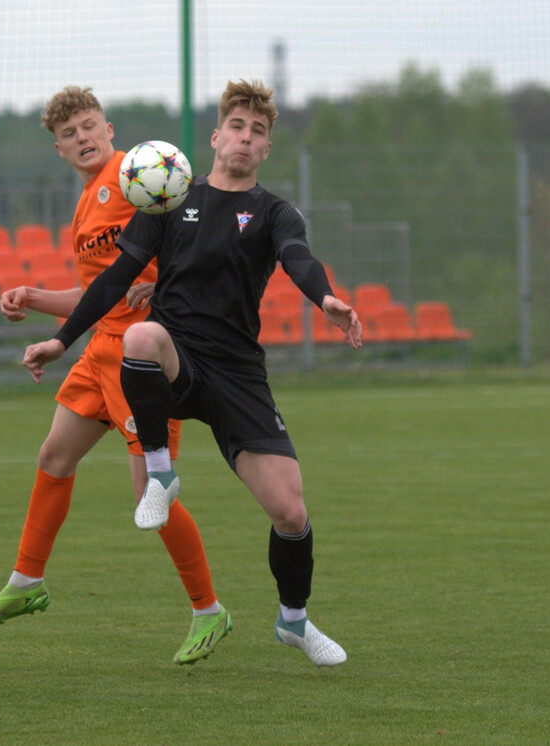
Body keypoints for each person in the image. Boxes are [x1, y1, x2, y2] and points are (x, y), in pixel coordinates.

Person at [23, 79, 363, 667]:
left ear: (264, 150)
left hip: (236, 375)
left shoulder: (274, 211)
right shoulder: (169, 200)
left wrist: (325, 298)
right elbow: (110, 281)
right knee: (141, 334)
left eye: (257, 132)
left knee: (290, 511)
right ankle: (161, 476)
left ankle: (293, 621)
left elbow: (297, 257)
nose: (245, 138)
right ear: (215, 136)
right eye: (237, 126)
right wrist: (59, 340)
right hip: (176, 358)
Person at [0, 86, 231, 665]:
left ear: (109, 128)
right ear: (58, 149)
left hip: (144, 355)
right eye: (69, 134)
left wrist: (161, 285)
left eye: (89, 125)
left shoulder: (137, 173)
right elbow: (98, 291)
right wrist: (33, 297)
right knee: (54, 456)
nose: (81, 137)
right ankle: (27, 581)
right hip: (99, 348)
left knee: (149, 494)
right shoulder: (88, 202)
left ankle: (209, 611)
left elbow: (193, 233)